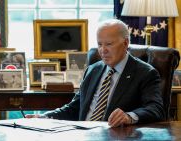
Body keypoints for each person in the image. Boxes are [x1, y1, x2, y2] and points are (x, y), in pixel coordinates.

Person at [26, 19, 165, 127]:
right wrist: (45, 117)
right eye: (99, 44)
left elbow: (156, 109)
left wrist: (129, 117)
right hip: (82, 135)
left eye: (109, 44)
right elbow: (74, 107)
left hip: (113, 136)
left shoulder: (145, 73)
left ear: (126, 43)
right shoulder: (93, 69)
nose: (102, 50)